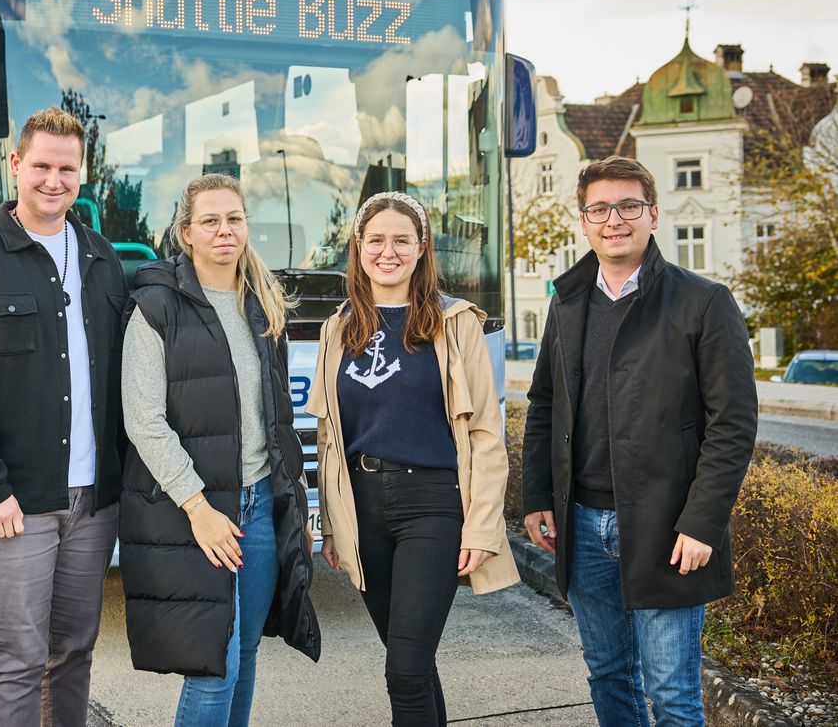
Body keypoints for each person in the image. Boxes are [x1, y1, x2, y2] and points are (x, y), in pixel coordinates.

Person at [522, 156, 757, 725]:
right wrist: (535, 499)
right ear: (584, 221)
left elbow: (733, 424)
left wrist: (702, 522)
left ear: (652, 214)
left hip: (665, 526)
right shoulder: (567, 301)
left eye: (628, 206)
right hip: (580, 523)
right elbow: (545, 404)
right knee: (608, 676)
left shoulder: (703, 302)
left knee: (673, 694)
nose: (614, 220)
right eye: (599, 209)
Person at [0, 106, 127, 725]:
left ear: (82, 173)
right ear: (16, 166)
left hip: (93, 502)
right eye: (41, 166)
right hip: (12, 506)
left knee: (73, 651)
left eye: (67, 168)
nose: (53, 181)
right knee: (17, 659)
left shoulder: (100, 257)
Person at [304, 191, 519, 726]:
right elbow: (330, 438)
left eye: (402, 240)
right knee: (414, 668)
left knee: (403, 670)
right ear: (358, 247)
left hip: (433, 507)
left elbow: (488, 435)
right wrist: (332, 526)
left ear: (422, 248)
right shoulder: (338, 327)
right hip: (363, 507)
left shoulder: (456, 323)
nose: (388, 251)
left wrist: (482, 527)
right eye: (376, 240)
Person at [118, 173, 320, 726]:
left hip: (258, 506)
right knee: (214, 667)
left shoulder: (263, 305)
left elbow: (278, 420)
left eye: (234, 218)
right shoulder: (155, 308)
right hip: (195, 512)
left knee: (247, 652)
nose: (224, 230)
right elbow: (144, 420)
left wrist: (294, 504)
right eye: (209, 220)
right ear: (186, 232)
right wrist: (197, 507)